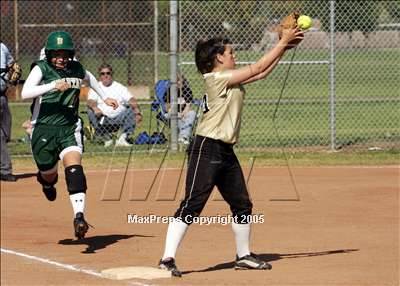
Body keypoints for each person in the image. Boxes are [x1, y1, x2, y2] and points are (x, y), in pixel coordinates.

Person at [158, 27, 304, 276]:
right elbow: (257, 68)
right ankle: (167, 259)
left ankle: (244, 255)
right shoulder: (216, 79)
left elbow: (260, 74)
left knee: (242, 203)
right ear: (218, 59)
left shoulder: (227, 77)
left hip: (225, 150)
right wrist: (282, 44)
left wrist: (285, 47)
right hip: (206, 147)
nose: (234, 55)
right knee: (193, 203)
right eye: (230, 52)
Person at [21, 31, 119, 239]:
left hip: (69, 127)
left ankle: (79, 217)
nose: (60, 58)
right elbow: (25, 93)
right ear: (48, 54)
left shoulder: (75, 68)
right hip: (44, 129)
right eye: (56, 54)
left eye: (64, 54)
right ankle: (47, 181)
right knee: (48, 171)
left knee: (74, 169)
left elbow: (89, 78)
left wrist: (105, 97)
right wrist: (52, 86)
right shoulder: (42, 69)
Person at [86, 63, 142, 147]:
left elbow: (131, 99)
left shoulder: (119, 87)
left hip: (119, 118)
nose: (105, 76)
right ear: (99, 76)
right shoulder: (96, 87)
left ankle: (122, 139)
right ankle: (106, 138)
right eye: (103, 73)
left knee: (131, 109)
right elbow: (90, 101)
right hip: (102, 118)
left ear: (111, 74)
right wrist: (95, 108)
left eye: (108, 73)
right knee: (90, 111)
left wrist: (137, 112)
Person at [0, 42, 17, 182]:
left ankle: (4, 168)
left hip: (2, 95)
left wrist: (12, 73)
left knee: (6, 132)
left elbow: (13, 65)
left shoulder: (3, 47)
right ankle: (5, 169)